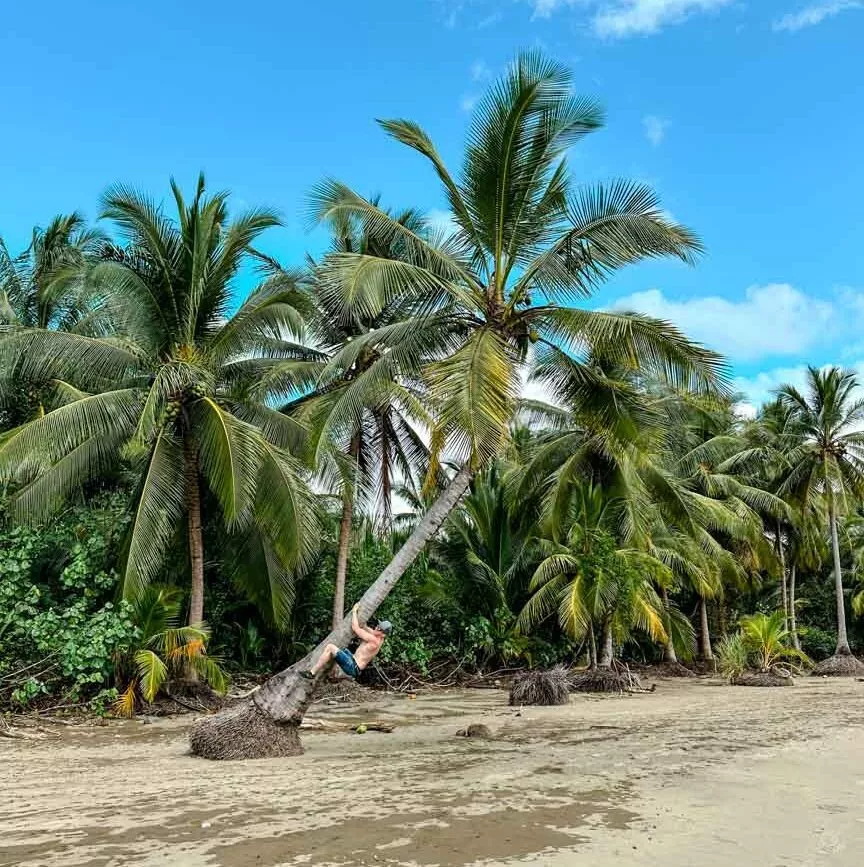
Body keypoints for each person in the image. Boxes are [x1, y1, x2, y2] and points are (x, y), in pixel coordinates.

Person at [302, 604, 392, 680]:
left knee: (330, 647)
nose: (376, 627)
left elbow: (355, 628)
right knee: (342, 648)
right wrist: (364, 624)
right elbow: (369, 630)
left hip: (353, 666)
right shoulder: (380, 638)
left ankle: (312, 673)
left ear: (382, 633)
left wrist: (354, 611)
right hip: (353, 661)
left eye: (378, 628)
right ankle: (329, 671)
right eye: (377, 626)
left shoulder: (374, 640)